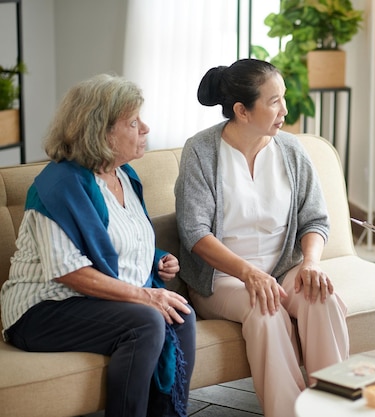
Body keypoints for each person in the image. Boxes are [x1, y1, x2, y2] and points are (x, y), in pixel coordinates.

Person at [0, 74, 196, 417]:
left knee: (181, 315)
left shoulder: (124, 176)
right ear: (101, 132)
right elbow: (68, 271)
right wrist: (148, 295)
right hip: (43, 309)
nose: (145, 128)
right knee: (146, 321)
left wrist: (158, 259)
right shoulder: (59, 186)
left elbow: (118, 241)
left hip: (95, 300)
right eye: (133, 122)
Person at [175, 58, 349, 417]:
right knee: (266, 309)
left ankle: (336, 408)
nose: (285, 109)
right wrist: (249, 274)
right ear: (241, 110)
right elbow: (194, 233)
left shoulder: (291, 150)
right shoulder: (201, 151)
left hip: (281, 268)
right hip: (222, 278)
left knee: (323, 298)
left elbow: (315, 218)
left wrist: (311, 264)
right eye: (274, 101)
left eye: (283, 98)